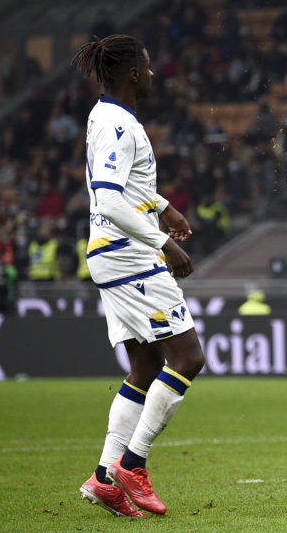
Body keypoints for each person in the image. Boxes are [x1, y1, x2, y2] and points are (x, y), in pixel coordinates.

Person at [72, 34, 206, 518]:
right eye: (147, 67)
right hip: (128, 254)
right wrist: (162, 242)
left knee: (146, 369)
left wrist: (165, 208)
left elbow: (123, 186)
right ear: (132, 73)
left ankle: (106, 479)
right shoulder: (118, 125)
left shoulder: (106, 117)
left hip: (114, 252)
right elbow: (108, 199)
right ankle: (133, 463)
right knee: (188, 357)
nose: (152, 74)